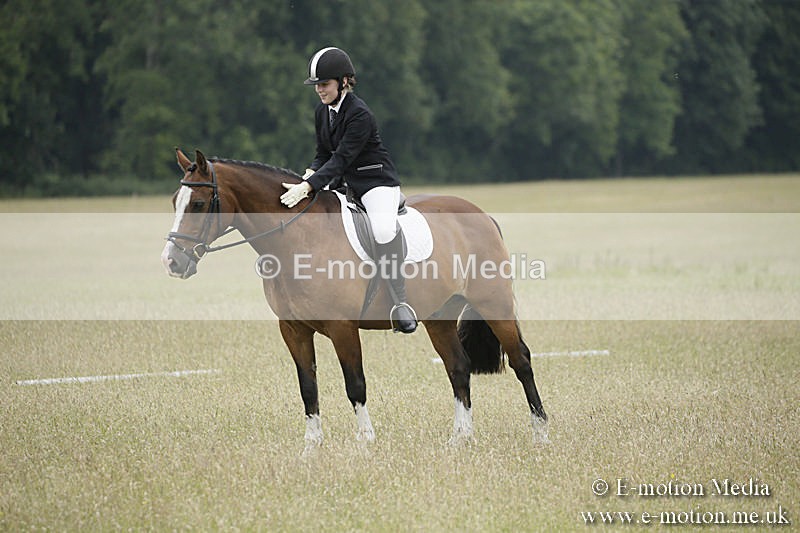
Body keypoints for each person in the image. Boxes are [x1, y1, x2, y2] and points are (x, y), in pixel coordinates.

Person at [280, 47, 417, 334]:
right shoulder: (322, 112)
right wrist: (308, 174)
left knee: (381, 230)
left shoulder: (360, 114)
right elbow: (322, 154)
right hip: (343, 183)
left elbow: (342, 158)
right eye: (316, 85)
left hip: (375, 181)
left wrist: (310, 185)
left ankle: (401, 302)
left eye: (325, 84)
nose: (319, 90)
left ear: (344, 82)